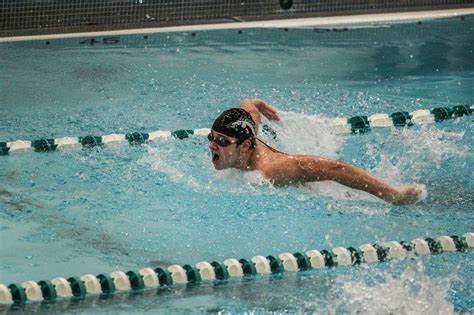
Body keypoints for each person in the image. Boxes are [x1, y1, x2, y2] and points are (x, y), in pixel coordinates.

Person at [208, 99, 424, 205]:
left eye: (221, 140)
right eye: (211, 137)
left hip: (325, 193)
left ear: (244, 146)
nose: (212, 145)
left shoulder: (271, 170)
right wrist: (254, 103)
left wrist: (392, 194)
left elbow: (335, 169)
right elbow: (249, 108)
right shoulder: (246, 132)